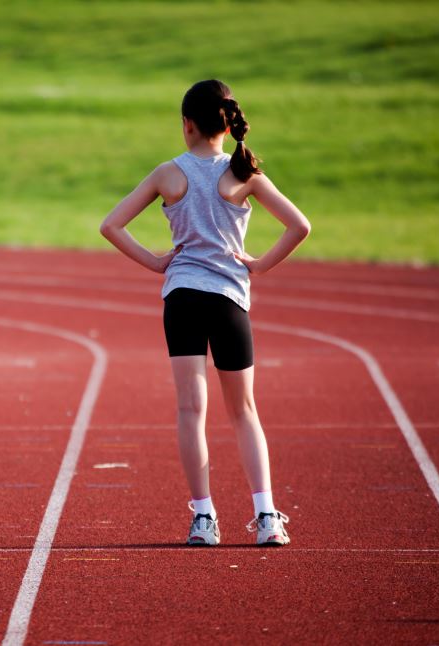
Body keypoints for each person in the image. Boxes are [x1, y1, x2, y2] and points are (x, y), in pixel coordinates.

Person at [99, 79, 311, 546]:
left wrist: (157, 262)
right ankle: (267, 517)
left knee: (190, 410)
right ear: (226, 123)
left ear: (187, 125)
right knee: (245, 412)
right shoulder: (244, 173)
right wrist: (259, 265)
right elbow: (300, 225)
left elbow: (110, 225)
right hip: (230, 301)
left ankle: (203, 519)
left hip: (183, 301)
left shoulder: (167, 174)